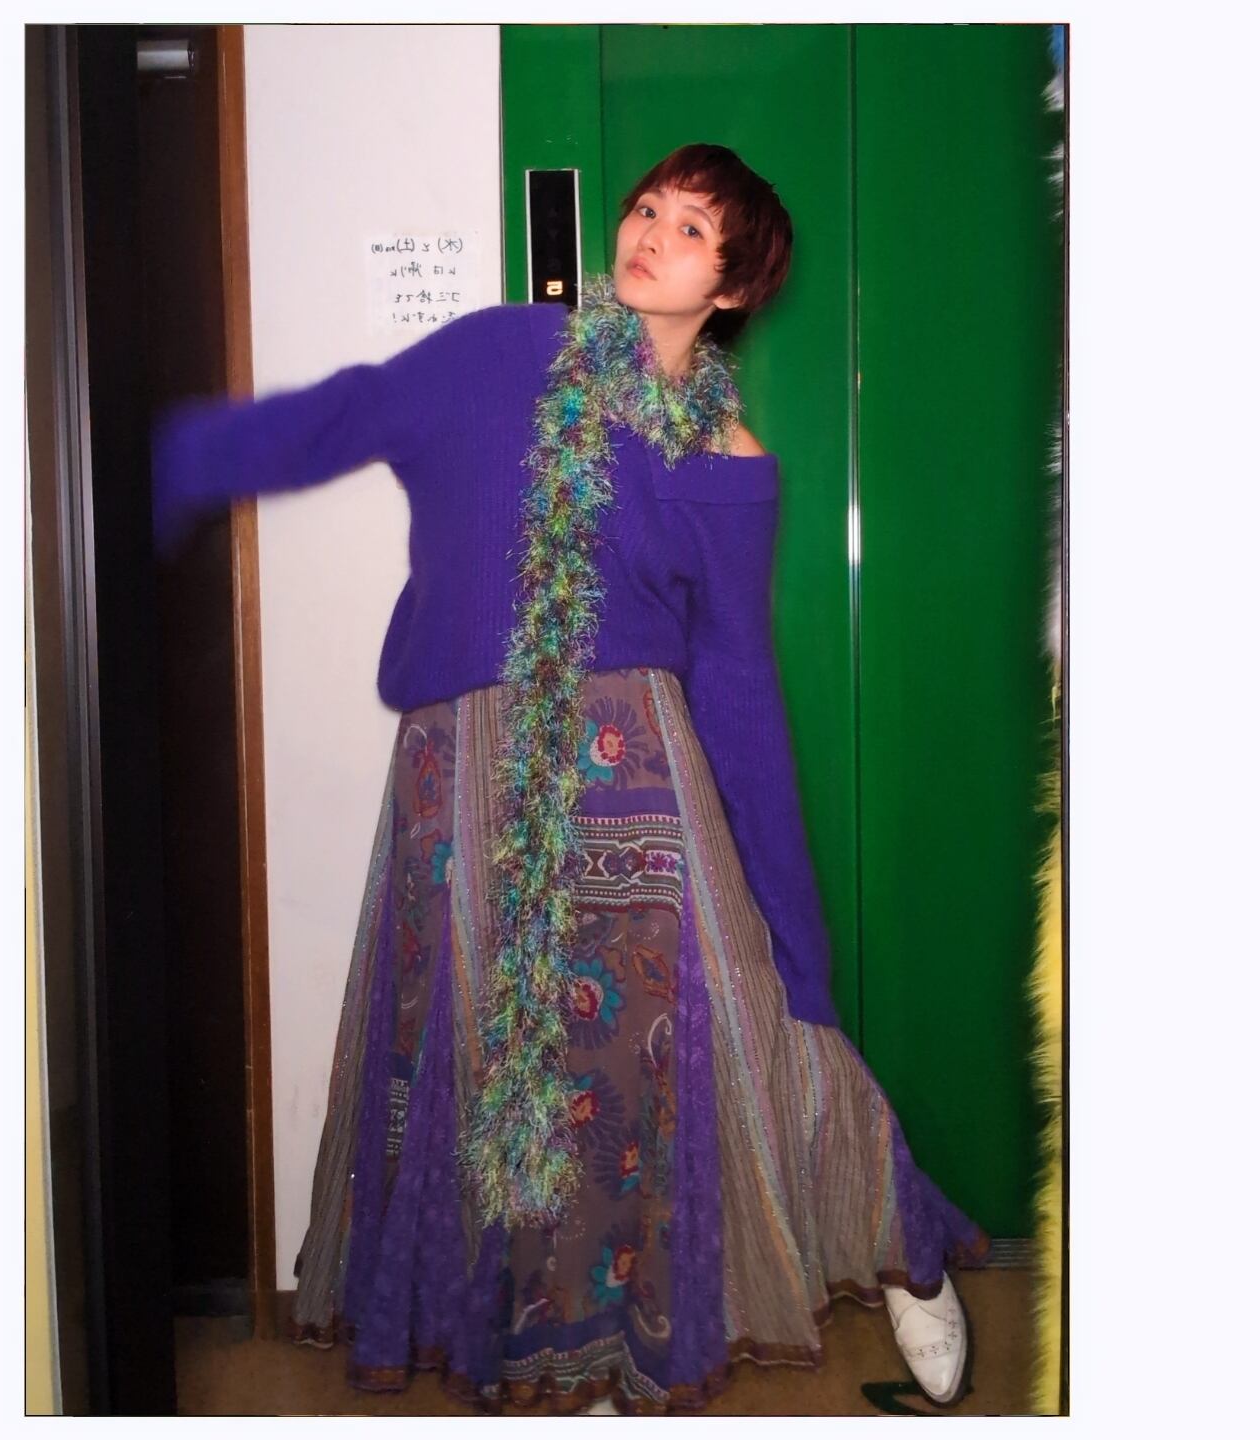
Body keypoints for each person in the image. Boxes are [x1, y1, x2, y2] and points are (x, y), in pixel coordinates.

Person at [152, 143, 988, 1416]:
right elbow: (350, 410)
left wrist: (796, 931)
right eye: (648, 207)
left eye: (693, 228)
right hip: (463, 775)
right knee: (504, 1070)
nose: (651, 231)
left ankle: (907, 1251)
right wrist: (168, 462)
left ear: (733, 287)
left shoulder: (727, 457)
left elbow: (739, 685)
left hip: (636, 775)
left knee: (740, 1027)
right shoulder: (505, 351)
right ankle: (580, 1349)